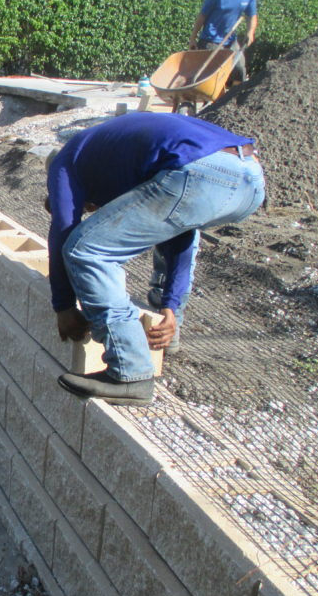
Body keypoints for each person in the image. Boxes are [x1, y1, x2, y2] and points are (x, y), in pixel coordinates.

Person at [46, 112, 264, 406]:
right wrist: (169, 308)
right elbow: (180, 232)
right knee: (172, 220)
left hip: (201, 173)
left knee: (86, 250)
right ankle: (167, 332)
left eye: (88, 206)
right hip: (249, 177)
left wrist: (63, 305)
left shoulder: (66, 163)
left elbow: (63, 231)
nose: (94, 208)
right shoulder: (115, 153)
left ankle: (129, 373)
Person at [189, 0, 258, 86]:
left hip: (230, 40)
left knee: (239, 69)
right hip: (210, 40)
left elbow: (252, 16)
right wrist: (193, 38)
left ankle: (233, 99)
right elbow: (202, 16)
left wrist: (250, 32)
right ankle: (213, 100)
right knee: (215, 75)